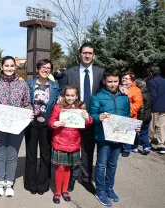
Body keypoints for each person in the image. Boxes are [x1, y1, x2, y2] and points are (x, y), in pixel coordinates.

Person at [90, 68, 140, 206]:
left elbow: (127, 116)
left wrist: (134, 126)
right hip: (104, 137)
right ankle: (100, 191)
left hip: (119, 137)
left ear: (119, 81)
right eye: (110, 81)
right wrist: (98, 117)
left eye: (115, 81)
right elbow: (91, 115)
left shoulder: (124, 97)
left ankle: (109, 188)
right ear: (104, 81)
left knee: (113, 164)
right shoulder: (97, 97)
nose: (112, 84)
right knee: (101, 165)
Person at [60, 42, 105, 193]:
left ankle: (86, 178)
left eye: (90, 53)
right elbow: (62, 94)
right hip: (72, 119)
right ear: (79, 54)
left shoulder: (101, 73)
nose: (87, 55)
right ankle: (71, 178)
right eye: (84, 53)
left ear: (93, 55)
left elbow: (106, 92)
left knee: (88, 150)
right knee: (71, 150)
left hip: (90, 119)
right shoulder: (69, 73)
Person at [0, 56, 33, 197]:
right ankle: (0, 182)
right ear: (1, 67)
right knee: (0, 156)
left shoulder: (22, 85)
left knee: (12, 155)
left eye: (12, 66)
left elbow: (27, 104)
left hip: (16, 128)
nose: (9, 68)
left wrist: (30, 114)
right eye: (6, 66)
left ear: (15, 67)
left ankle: (9, 183)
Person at [48, 85, 93, 204]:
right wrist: (55, 123)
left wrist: (87, 118)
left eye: (72, 95)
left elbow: (87, 124)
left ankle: (65, 190)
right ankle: (57, 192)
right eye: (67, 95)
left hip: (74, 143)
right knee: (60, 168)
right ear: (64, 95)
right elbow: (50, 122)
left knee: (68, 168)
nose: (70, 97)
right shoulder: (58, 107)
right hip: (60, 142)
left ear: (76, 96)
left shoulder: (80, 108)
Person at [24, 59, 59, 195]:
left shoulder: (55, 86)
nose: (45, 70)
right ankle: (31, 184)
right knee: (31, 155)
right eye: (43, 67)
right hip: (31, 125)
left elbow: (60, 103)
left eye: (48, 68)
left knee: (45, 155)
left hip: (47, 126)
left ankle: (42, 184)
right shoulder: (29, 84)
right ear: (38, 69)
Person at [120, 71, 143, 157]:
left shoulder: (136, 90)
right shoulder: (119, 88)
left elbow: (137, 104)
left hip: (130, 115)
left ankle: (126, 149)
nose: (124, 80)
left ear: (131, 80)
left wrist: (128, 112)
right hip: (119, 114)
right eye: (123, 78)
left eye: (126, 78)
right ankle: (120, 147)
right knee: (119, 131)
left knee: (128, 133)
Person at [147, 66, 165, 154]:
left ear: (151, 73)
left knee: (151, 125)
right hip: (164, 107)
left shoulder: (151, 81)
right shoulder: (164, 80)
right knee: (161, 126)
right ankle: (161, 145)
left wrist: (149, 105)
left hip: (154, 107)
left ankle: (147, 142)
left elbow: (152, 95)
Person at [135, 78, 152, 155]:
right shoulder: (148, 92)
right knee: (144, 133)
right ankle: (146, 147)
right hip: (148, 116)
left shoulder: (139, 94)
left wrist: (140, 119)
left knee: (135, 131)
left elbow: (141, 108)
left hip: (142, 116)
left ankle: (134, 147)